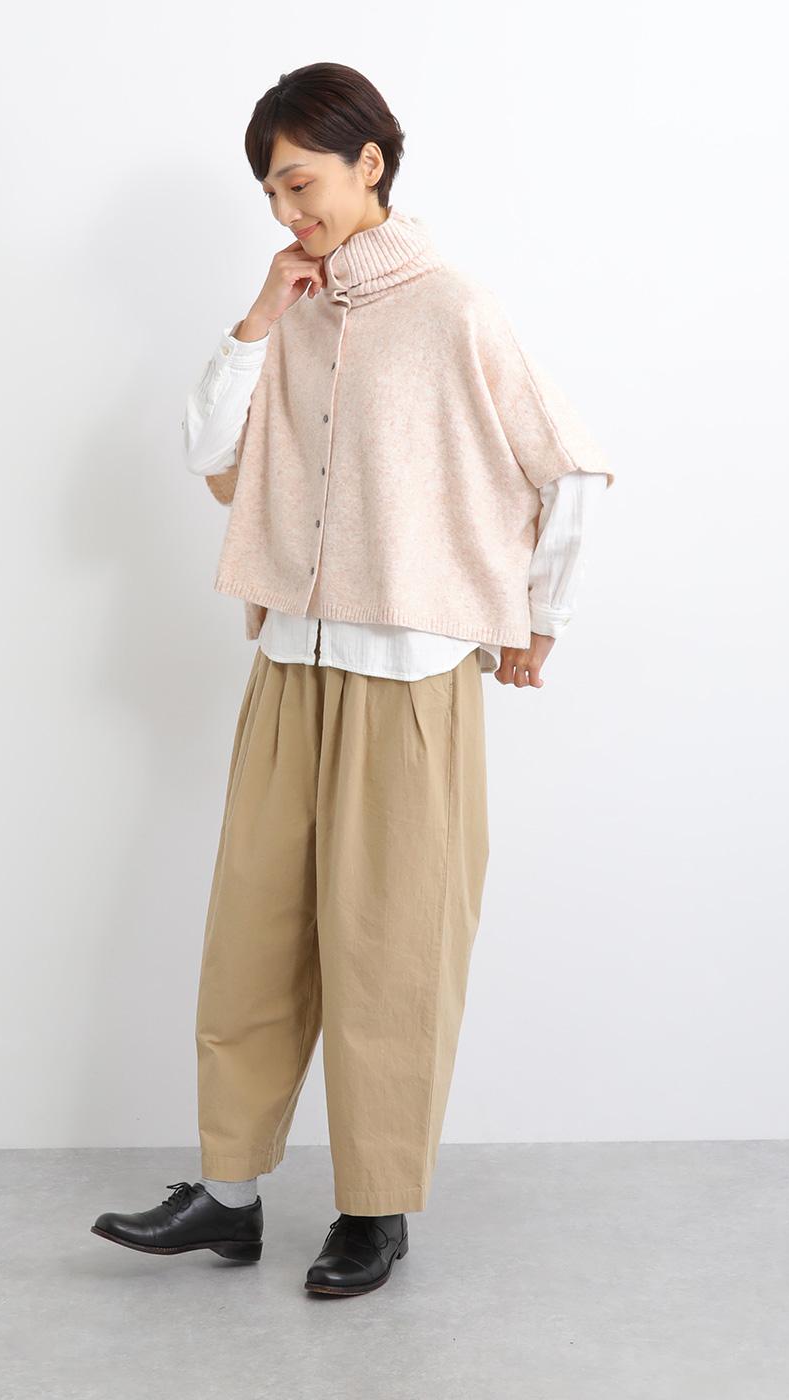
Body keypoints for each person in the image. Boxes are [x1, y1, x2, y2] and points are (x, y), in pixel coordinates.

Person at [92, 62, 614, 1298]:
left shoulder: (455, 307)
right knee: (253, 938)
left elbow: (569, 465)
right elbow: (206, 448)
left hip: (407, 675)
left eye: (301, 183)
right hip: (290, 662)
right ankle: (228, 1197)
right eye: (273, 194)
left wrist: (541, 618)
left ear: (369, 163)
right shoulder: (294, 308)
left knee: (391, 948)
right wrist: (260, 313)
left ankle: (374, 1210)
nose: (289, 212)